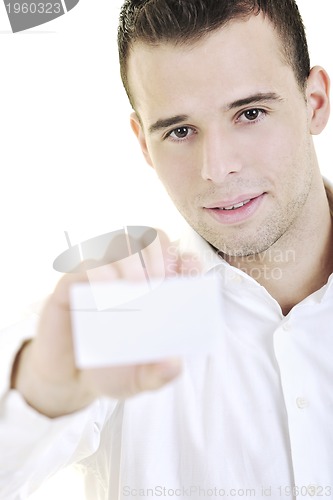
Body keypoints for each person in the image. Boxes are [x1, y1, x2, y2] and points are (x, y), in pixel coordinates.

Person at [1, 0, 333, 498]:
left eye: (250, 113)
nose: (216, 168)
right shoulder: (114, 319)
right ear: (142, 143)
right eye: (180, 131)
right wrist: (41, 397)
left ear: (315, 102)